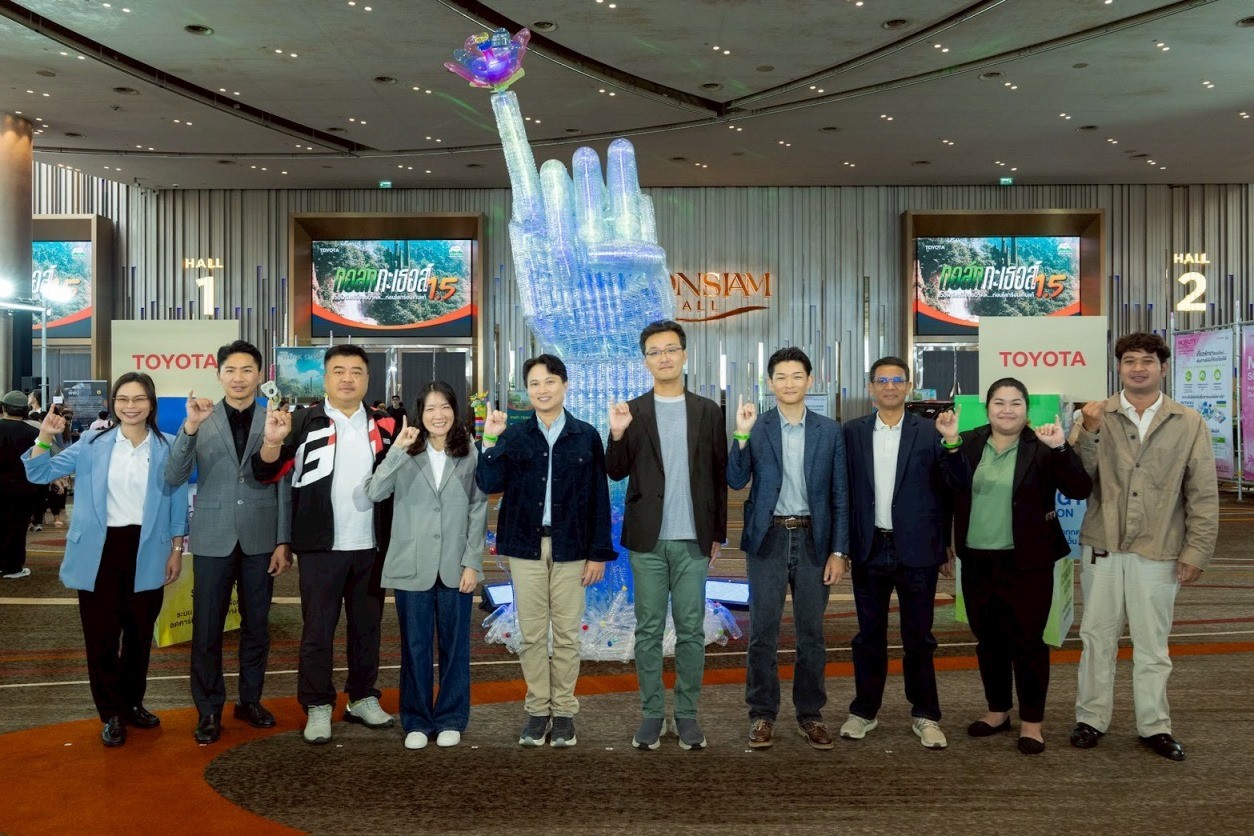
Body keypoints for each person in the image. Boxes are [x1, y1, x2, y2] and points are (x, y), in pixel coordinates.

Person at [1070, 332, 1218, 762]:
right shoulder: (1095, 415)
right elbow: (1076, 479)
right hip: (1102, 545)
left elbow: (1203, 493)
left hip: (1160, 549)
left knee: (1153, 645)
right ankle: (1090, 719)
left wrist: (1196, 551)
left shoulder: (1188, 422)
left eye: (1147, 361)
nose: (1138, 368)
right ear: (1118, 368)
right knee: (1096, 638)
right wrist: (1088, 431)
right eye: (1130, 360)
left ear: (1163, 368)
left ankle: (1154, 725)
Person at [23, 373, 188, 747]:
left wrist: (177, 549)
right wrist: (45, 436)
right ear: (113, 404)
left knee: (139, 636)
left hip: (149, 548)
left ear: (151, 403)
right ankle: (111, 712)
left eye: (139, 398)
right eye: (123, 399)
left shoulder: (168, 446)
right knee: (101, 638)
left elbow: (177, 501)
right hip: (98, 551)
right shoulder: (92, 443)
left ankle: (132, 704)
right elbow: (38, 472)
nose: (131, 406)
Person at [253, 344, 398, 745]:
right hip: (319, 547)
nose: (347, 378)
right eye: (339, 371)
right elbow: (265, 472)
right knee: (317, 631)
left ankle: (362, 697)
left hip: (371, 546)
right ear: (326, 377)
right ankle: (317, 704)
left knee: (367, 629)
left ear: (367, 378)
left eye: (356, 371)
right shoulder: (302, 421)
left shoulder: (386, 425)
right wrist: (272, 441)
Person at [477, 354, 615, 748]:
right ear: (527, 390)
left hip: (573, 546)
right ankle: (538, 710)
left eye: (550, 381)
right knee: (532, 634)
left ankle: (565, 712)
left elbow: (599, 498)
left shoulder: (586, 435)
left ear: (565, 385)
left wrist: (598, 553)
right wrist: (490, 440)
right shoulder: (515, 436)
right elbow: (488, 483)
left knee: (568, 635)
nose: (542, 390)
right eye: (535, 383)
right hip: (526, 546)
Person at [952, 378, 1092, 755]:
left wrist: (1061, 447)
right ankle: (997, 711)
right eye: (999, 402)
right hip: (977, 559)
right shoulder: (967, 442)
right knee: (989, 641)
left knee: (1028, 642)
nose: (1007, 410)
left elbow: (1079, 488)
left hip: (1028, 562)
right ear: (987, 408)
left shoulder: (1042, 444)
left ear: (1026, 410)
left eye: (1015, 403)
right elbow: (948, 490)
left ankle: (1032, 723)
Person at [606, 320, 727, 751]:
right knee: (648, 630)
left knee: (692, 630)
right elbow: (615, 470)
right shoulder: (632, 411)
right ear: (646, 361)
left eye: (671, 349)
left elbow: (718, 476)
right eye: (655, 352)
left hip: (694, 540)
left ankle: (688, 714)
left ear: (684, 354)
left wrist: (717, 534)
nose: (664, 357)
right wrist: (616, 433)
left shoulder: (708, 411)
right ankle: (653, 713)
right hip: (648, 541)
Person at [166, 340, 293, 744]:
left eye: (247, 370)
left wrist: (283, 540)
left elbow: (284, 483)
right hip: (212, 536)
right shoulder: (201, 417)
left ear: (260, 375)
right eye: (231, 370)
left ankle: (249, 700)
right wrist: (190, 427)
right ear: (218, 375)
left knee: (257, 626)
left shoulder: (275, 418)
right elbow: (173, 475)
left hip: (261, 537)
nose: (239, 378)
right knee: (206, 628)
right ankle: (208, 709)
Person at [841, 356, 968, 749]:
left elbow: (955, 487)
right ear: (871, 387)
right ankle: (864, 711)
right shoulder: (853, 432)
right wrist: (842, 547)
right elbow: (843, 493)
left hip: (918, 549)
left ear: (909, 386)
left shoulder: (931, 432)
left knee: (919, 638)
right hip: (869, 547)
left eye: (897, 380)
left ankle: (926, 714)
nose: (890, 387)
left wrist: (952, 443)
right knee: (868, 637)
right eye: (882, 381)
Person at [726, 348, 849, 750]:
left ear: (810, 381)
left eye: (797, 376)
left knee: (811, 635)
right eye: (781, 377)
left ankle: (810, 714)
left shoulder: (829, 431)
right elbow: (735, 479)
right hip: (769, 539)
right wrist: (740, 434)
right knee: (762, 633)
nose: (789, 383)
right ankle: (761, 714)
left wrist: (839, 551)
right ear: (770, 383)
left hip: (815, 541)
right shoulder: (758, 426)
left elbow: (840, 495)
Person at [364, 382, 487, 750]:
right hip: (411, 565)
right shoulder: (405, 451)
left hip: (455, 565)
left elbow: (478, 508)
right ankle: (416, 719)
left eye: (445, 406)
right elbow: (375, 491)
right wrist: (397, 450)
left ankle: (451, 717)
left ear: (455, 410)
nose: (439, 415)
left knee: (455, 647)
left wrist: (472, 562)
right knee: (415, 646)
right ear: (419, 413)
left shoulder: (469, 451)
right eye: (431, 408)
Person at [0, 391, 40, 579]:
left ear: (3, 407)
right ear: (25, 410)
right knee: (17, 528)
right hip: (23, 488)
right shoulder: (34, 432)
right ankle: (13, 567)